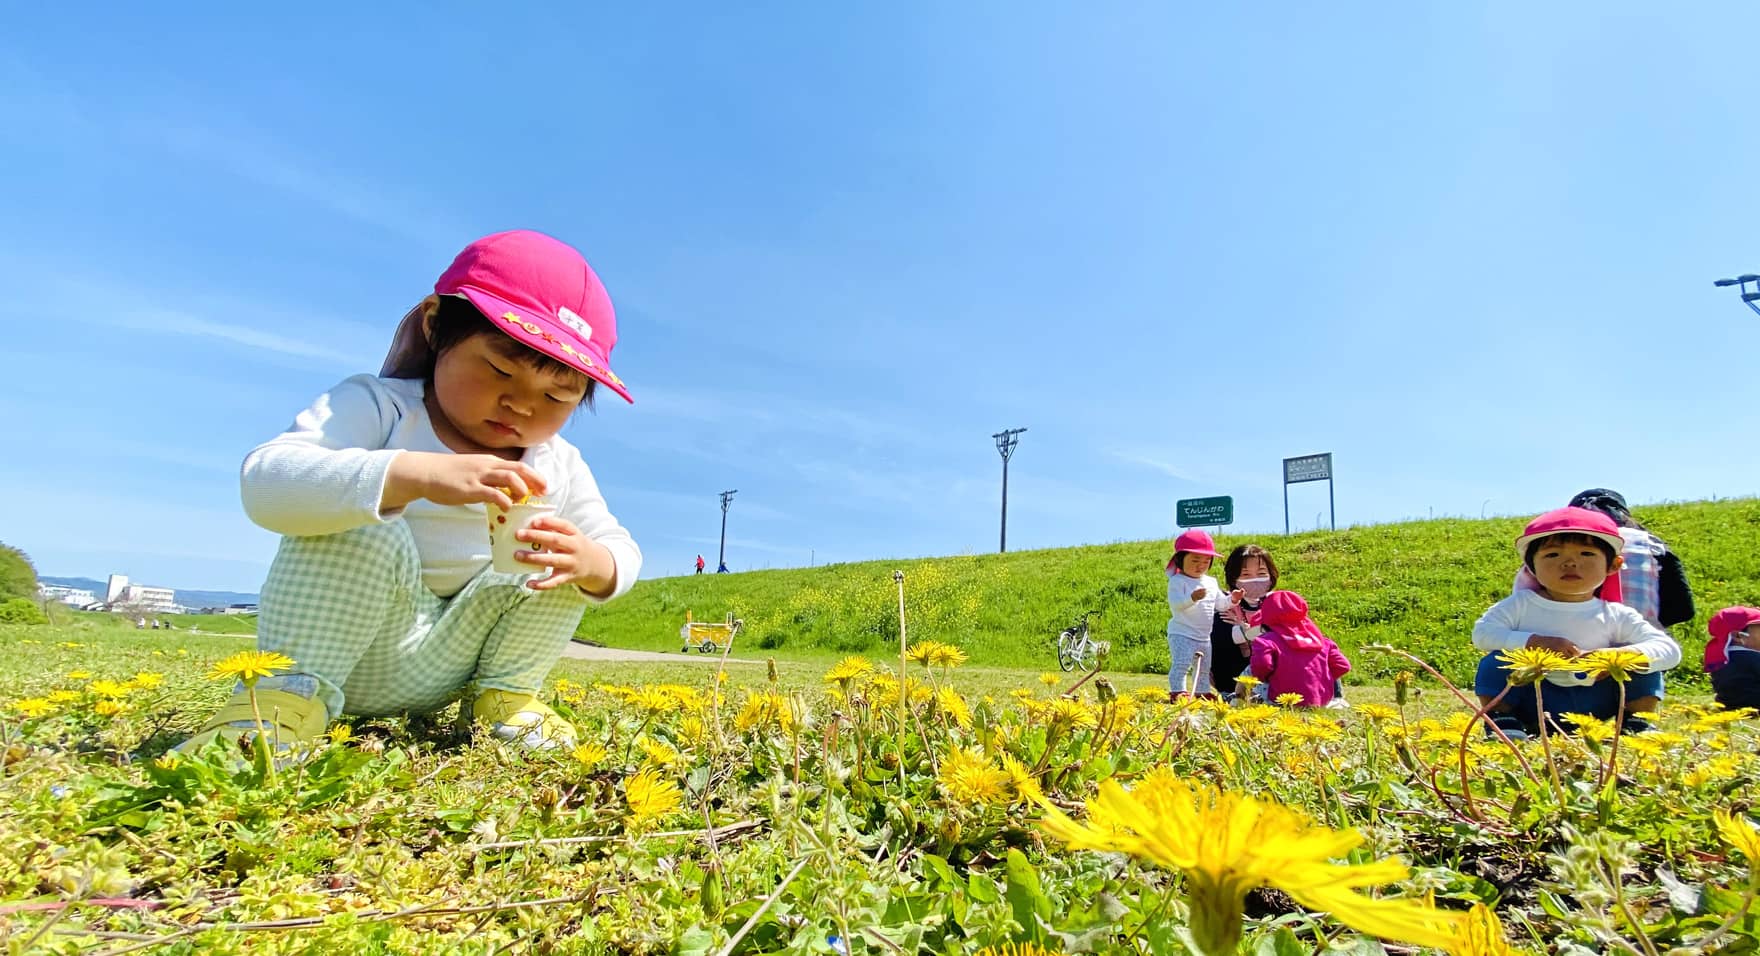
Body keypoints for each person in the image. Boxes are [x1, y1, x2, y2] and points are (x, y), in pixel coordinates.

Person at [179, 230, 642, 756]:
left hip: (454, 662)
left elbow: (618, 547)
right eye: (499, 370)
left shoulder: (559, 464)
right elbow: (267, 482)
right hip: (344, 648)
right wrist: (408, 474)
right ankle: (286, 700)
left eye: (557, 395)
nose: (520, 404)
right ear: (435, 326)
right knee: (361, 518)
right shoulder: (381, 409)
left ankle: (504, 700)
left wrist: (592, 562)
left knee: (559, 551)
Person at [1473, 507, 1680, 739]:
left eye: (1586, 554)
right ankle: (1503, 720)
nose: (1570, 563)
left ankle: (1636, 722)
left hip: (1597, 699)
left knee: (1642, 662)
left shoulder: (1616, 614)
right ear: (1531, 567)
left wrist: (1616, 657)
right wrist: (1533, 642)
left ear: (1614, 565)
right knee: (1495, 662)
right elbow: (1483, 634)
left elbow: (1668, 650)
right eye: (1553, 555)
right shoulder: (1520, 605)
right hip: (1535, 697)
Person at [1514, 488, 1694, 632]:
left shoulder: (1546, 544)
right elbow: (1682, 608)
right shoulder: (1649, 543)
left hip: (1554, 647)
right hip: (1636, 649)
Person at [1165, 529, 1241, 698]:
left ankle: (1201, 692)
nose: (1201, 565)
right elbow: (1176, 605)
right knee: (1181, 664)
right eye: (1195, 560)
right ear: (1180, 559)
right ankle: (1177, 691)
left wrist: (1232, 600)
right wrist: (1192, 598)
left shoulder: (1211, 582)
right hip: (1182, 633)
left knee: (1204, 667)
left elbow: (1220, 604)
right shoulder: (1177, 581)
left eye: (1206, 561)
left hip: (1204, 636)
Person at [1247, 590, 1350, 707]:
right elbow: (1343, 666)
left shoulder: (1266, 640)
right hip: (1321, 701)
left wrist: (1266, 678)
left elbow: (1262, 665)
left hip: (1280, 700)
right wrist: (1321, 678)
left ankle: (1236, 697)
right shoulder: (1322, 641)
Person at [1209, 544, 1276, 697]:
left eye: (1261, 573)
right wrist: (1259, 632)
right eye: (1246, 575)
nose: (1255, 579)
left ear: (1271, 575)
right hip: (1232, 678)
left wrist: (1245, 630)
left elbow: (1289, 633)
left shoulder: (1277, 602)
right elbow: (1224, 637)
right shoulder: (1224, 603)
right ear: (1234, 578)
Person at [1704, 607, 1760, 713]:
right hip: (1755, 704)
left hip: (1728, 704)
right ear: (1738, 636)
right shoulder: (1751, 657)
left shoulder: (1721, 658)